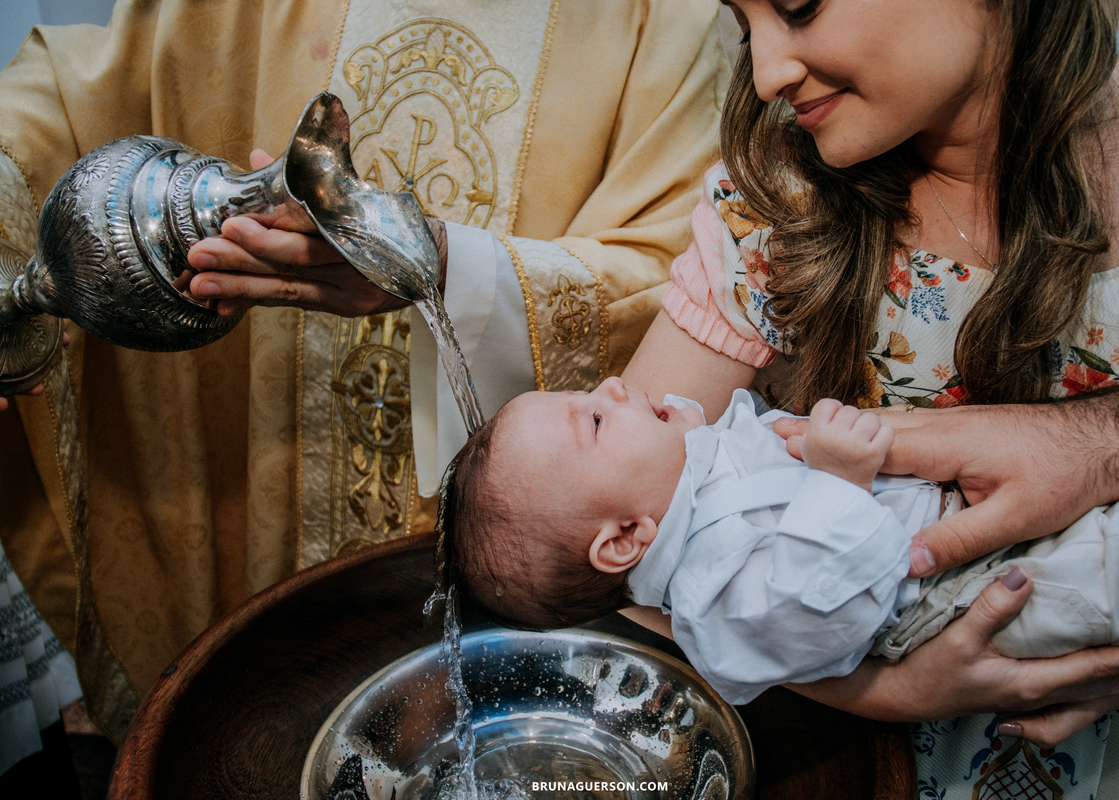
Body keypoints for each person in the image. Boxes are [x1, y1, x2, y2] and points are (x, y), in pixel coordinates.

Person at [172, 0, 1119, 795]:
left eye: (797, 4)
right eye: (741, 20)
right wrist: (878, 685)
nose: (766, 72)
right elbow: (622, 551)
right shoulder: (778, 206)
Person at [0, 0, 728, 739]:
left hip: (524, 582)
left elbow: (699, 269)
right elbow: (67, 94)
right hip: (254, 514)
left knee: (470, 730)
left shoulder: (659, 22)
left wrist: (448, 268)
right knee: (253, 724)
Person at [445, 378, 1119, 743]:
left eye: (586, 392)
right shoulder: (710, 603)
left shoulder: (681, 489)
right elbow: (816, 609)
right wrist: (840, 481)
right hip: (967, 600)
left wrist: (670, 424)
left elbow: (727, 450)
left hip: (985, 533)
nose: (610, 384)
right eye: (597, 417)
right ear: (622, 540)